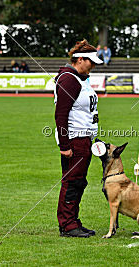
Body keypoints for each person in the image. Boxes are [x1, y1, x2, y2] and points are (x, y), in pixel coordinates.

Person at [54, 39, 103, 238]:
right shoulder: (69, 79)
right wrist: (65, 145)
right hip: (74, 139)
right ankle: (67, 225)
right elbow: (61, 114)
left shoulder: (79, 78)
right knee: (72, 182)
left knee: (78, 181)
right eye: (90, 63)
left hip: (84, 138)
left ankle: (73, 221)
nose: (92, 68)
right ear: (80, 59)